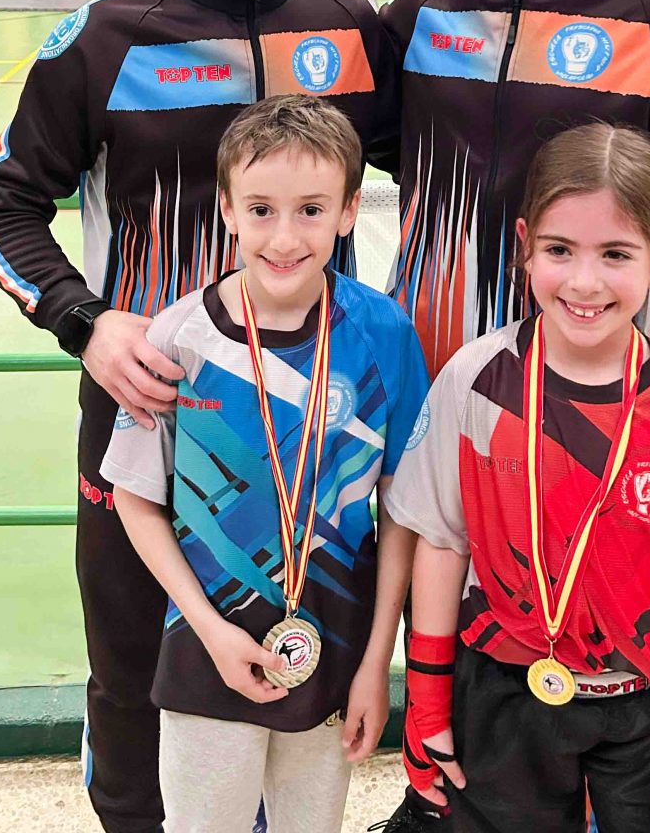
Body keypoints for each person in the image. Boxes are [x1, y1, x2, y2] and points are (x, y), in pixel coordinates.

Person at [0, 0, 394, 833]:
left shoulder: (349, 26)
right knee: (130, 679)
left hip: (312, 439)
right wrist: (87, 320)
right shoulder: (104, 39)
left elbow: (445, 169)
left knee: (298, 685)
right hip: (149, 424)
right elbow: (0, 209)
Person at [387, 124, 650, 833]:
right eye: (560, 251)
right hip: (499, 699)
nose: (584, 283)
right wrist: (428, 701)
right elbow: (441, 544)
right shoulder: (475, 379)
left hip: (641, 714)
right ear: (526, 244)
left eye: (615, 254)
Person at [101, 95, 428, 833]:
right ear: (227, 210)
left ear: (350, 210)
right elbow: (135, 499)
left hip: (335, 649)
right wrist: (210, 630)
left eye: (312, 210)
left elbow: (404, 511)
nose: (285, 237)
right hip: (204, 649)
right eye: (261, 209)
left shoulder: (383, 332)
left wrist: (378, 661)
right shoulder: (178, 337)